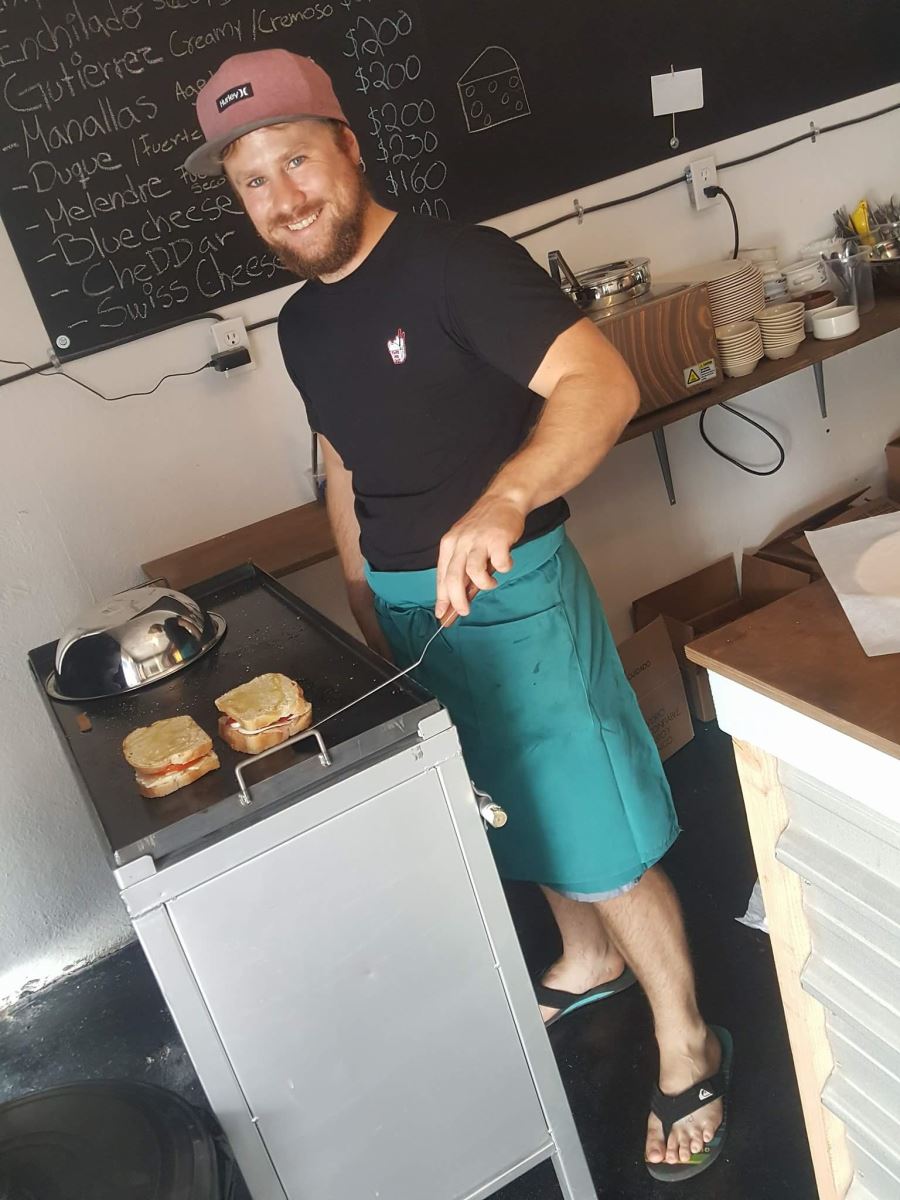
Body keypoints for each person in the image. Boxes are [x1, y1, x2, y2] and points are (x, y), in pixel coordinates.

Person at [186, 48, 732, 1181]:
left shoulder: (455, 265)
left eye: (296, 158)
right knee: (503, 807)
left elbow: (601, 384)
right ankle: (586, 958)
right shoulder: (302, 327)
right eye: (253, 181)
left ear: (348, 145)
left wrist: (504, 500)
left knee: (602, 839)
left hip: (516, 596)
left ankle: (689, 1044)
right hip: (403, 609)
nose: (284, 197)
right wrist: (352, 596)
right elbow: (343, 463)